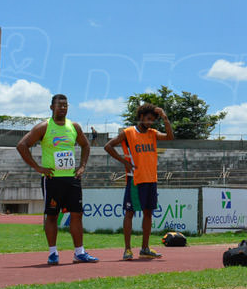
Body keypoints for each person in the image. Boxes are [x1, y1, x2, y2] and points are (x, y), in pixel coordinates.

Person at [16, 94, 97, 264]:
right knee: (52, 216)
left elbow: (85, 145)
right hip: (52, 179)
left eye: (66, 105)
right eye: (60, 105)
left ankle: (79, 252)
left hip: (72, 179)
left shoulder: (74, 126)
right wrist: (38, 168)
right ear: (51, 107)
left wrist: (82, 166)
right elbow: (22, 145)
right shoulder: (44, 127)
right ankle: (53, 253)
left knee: (77, 215)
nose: (63, 108)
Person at [104, 103, 174, 260]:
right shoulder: (129, 132)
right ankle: (127, 249)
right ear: (141, 117)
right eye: (148, 119)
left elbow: (170, 137)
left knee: (148, 214)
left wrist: (164, 117)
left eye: (152, 120)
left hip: (151, 179)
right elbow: (108, 146)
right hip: (135, 179)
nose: (150, 122)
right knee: (130, 213)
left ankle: (145, 248)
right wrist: (124, 161)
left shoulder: (152, 133)